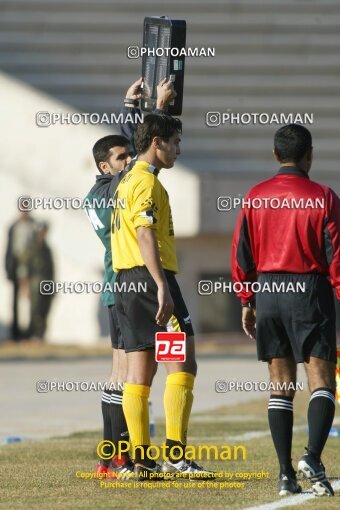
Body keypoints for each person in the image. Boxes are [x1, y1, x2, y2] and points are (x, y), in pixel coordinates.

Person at [231, 124, 340, 497]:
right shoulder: (323, 196)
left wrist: (247, 299)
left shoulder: (256, 196)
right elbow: (336, 255)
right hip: (309, 291)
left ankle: (284, 474)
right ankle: (311, 456)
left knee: (280, 385)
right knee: (322, 382)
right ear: (309, 155)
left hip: (269, 291)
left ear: (276, 155)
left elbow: (241, 252)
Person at [85, 79, 177, 479]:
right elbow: (141, 157)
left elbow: (136, 153)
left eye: (127, 156)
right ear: (106, 166)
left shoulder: (105, 187)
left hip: (123, 285)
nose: (127, 161)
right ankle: (121, 455)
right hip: (126, 284)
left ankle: (114, 457)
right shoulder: (109, 191)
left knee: (125, 373)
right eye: (119, 158)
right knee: (129, 374)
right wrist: (155, 109)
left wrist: (133, 107)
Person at [111, 113, 211, 479]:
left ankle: (141, 460)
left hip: (127, 284)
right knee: (182, 364)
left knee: (139, 371)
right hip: (151, 281)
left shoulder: (126, 180)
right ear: (158, 142)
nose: (178, 151)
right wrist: (161, 285)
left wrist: (162, 104)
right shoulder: (145, 183)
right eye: (175, 142)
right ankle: (176, 455)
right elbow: (144, 234)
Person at [5, 210, 38, 340]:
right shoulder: (14, 227)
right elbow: (9, 249)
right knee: (15, 302)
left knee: (32, 301)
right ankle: (15, 333)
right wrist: (8, 268)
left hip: (31, 269)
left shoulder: (33, 225)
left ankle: (31, 332)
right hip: (16, 268)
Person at [27, 222, 54, 340]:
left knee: (44, 309)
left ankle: (41, 335)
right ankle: (34, 334)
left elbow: (51, 269)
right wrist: (25, 285)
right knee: (35, 309)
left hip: (46, 284)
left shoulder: (47, 249)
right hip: (34, 284)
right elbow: (25, 267)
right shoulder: (32, 248)